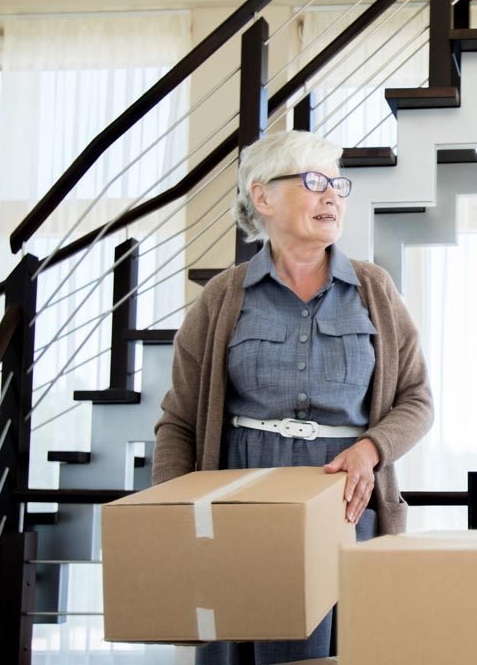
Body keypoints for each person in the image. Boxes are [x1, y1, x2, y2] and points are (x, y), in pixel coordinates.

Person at [152, 130, 434, 664]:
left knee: (334, 650)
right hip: (237, 504)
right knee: (242, 641)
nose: (332, 195)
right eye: (312, 181)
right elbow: (179, 421)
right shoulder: (222, 297)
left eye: (336, 183)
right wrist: (172, 519)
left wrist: (370, 450)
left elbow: (417, 400)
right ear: (262, 197)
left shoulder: (375, 289)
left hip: (344, 504)